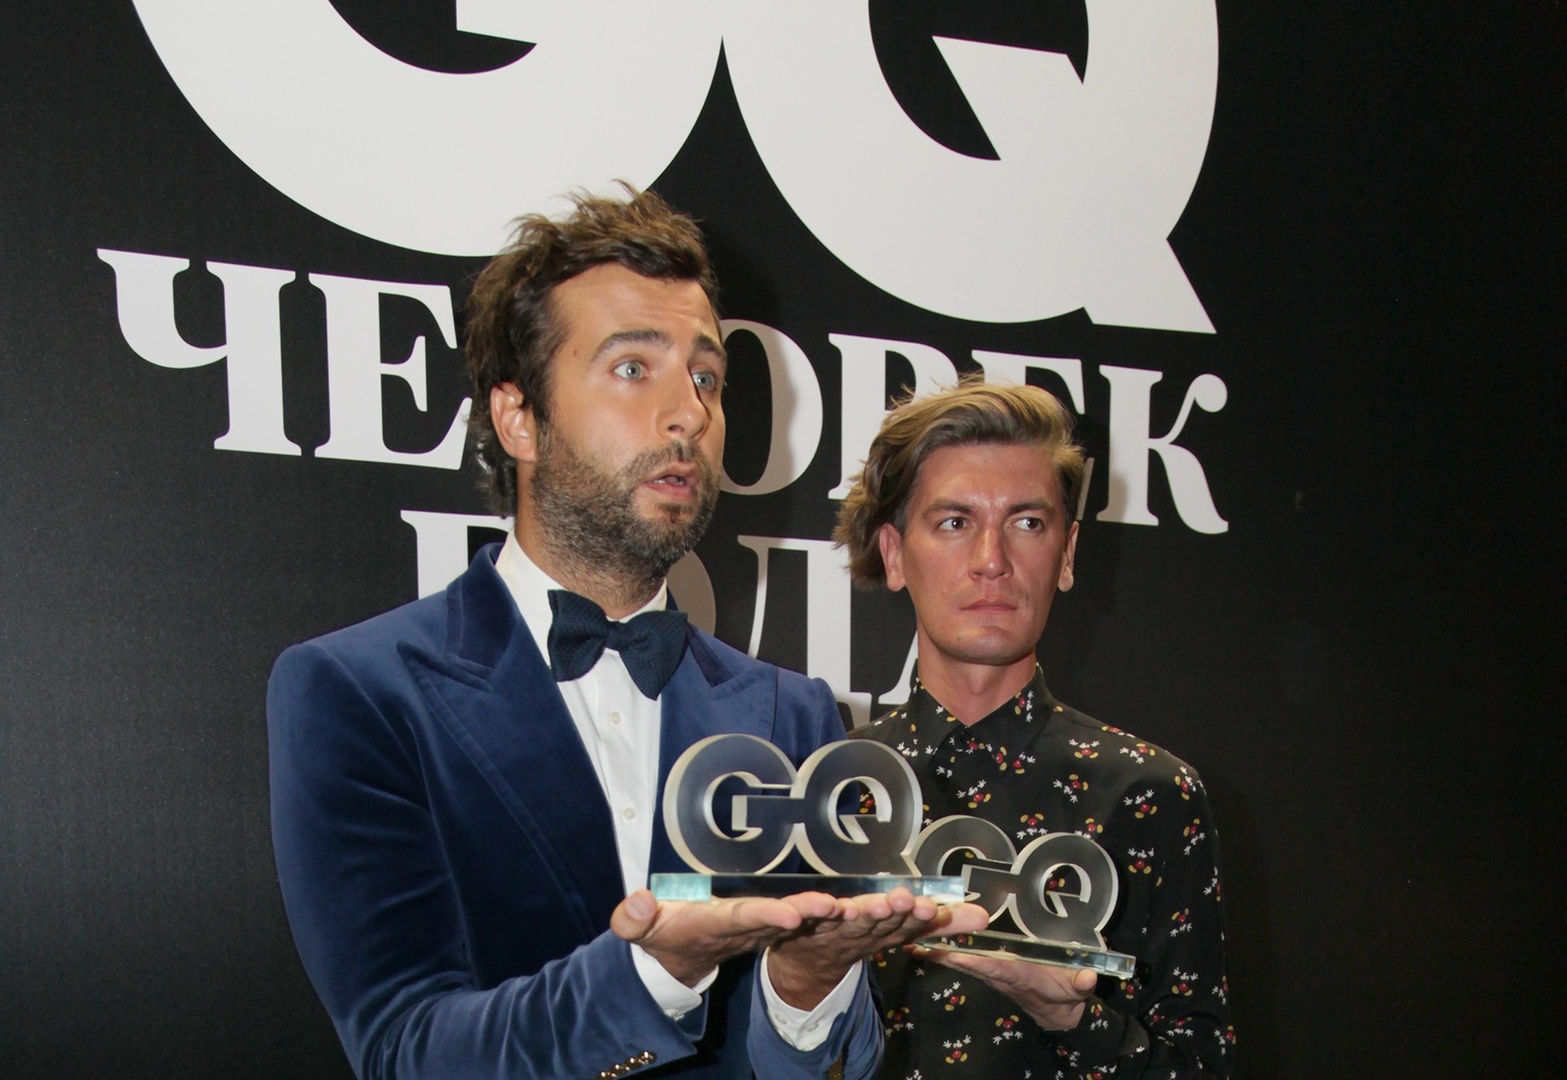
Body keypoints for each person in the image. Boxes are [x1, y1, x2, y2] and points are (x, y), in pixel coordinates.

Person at [267, 186, 984, 1080]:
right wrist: (654, 972)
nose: (689, 414)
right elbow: (404, 1050)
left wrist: (807, 981)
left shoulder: (790, 712)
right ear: (518, 418)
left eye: (706, 377)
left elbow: (828, 1064)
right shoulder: (358, 690)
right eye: (633, 368)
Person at [834, 380, 1233, 1078]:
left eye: (1026, 523)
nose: (991, 559)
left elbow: (1202, 1067)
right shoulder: (834, 789)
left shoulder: (1150, 794)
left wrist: (1072, 1018)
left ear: (1067, 553)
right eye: (954, 522)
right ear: (894, 553)